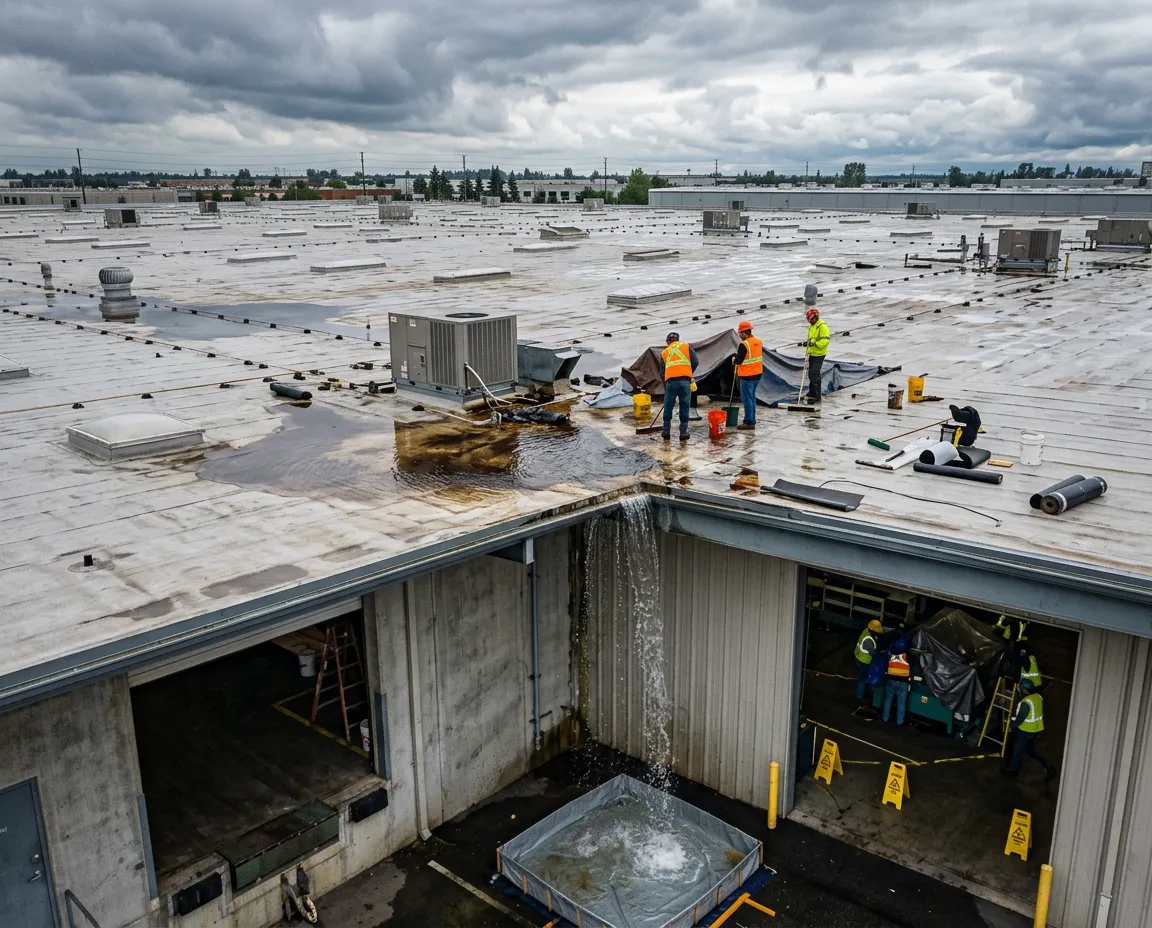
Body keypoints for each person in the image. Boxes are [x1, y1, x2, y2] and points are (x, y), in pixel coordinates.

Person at [1002, 679, 1056, 780]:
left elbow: (1018, 721)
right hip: (1035, 730)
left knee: (1017, 749)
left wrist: (1010, 725)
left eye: (1021, 689)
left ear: (1025, 691)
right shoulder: (1038, 697)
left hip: (1025, 731)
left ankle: (1011, 770)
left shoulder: (1025, 703)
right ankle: (1047, 765)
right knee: (1030, 751)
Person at [661, 331, 698, 442]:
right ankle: (683, 432)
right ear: (677, 340)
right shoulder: (686, 346)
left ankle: (666, 431)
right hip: (685, 382)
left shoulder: (664, 352)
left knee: (668, 406)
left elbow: (662, 371)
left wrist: (666, 385)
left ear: (668, 341)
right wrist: (688, 373)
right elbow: (695, 362)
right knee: (684, 406)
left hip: (670, 382)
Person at [731, 320, 763, 430]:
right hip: (757, 374)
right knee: (752, 398)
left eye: (740, 333)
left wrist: (734, 359)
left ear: (745, 333)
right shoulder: (758, 341)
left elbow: (739, 361)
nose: (739, 335)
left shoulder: (743, 344)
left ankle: (749, 422)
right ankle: (752, 420)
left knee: (747, 400)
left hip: (747, 376)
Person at [799, 307, 831, 404]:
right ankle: (811, 393)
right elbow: (811, 338)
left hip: (819, 354)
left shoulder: (822, 326)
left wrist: (814, 344)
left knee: (815, 374)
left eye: (810, 319)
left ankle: (817, 396)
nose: (809, 321)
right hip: (812, 353)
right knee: (810, 374)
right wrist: (808, 344)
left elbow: (825, 341)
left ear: (815, 317)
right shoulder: (813, 326)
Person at [854, 619, 882, 701]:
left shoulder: (866, 630)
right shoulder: (868, 640)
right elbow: (873, 654)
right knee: (862, 679)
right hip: (863, 661)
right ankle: (859, 698)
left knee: (863, 678)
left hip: (860, 658)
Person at [882, 646, 911, 725]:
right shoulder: (907, 655)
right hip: (902, 682)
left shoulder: (891, 653)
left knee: (888, 699)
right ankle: (899, 721)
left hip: (891, 680)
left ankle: (885, 718)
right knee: (901, 702)